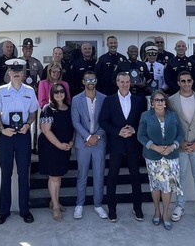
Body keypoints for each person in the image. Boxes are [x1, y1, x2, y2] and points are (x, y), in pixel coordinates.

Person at [0, 59, 39, 225]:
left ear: (23, 72)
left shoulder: (30, 91)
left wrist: (28, 125)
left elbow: (33, 113)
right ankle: (3, 211)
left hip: (23, 135)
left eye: (20, 69)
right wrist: (2, 129)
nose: (17, 72)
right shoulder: (1, 91)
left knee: (23, 174)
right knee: (5, 174)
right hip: (6, 134)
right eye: (13, 69)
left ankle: (24, 210)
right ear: (9, 73)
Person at [100, 72, 146, 223]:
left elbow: (143, 122)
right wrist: (118, 131)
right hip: (116, 143)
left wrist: (135, 130)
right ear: (117, 82)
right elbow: (103, 121)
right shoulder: (109, 100)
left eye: (127, 82)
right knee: (112, 176)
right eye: (122, 82)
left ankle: (137, 208)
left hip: (133, 144)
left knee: (135, 176)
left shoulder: (139, 101)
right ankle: (112, 209)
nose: (125, 84)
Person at [168, 71, 195, 225]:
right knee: (180, 176)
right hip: (180, 146)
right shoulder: (171, 100)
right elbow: (170, 124)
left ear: (192, 82)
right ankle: (180, 206)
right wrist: (179, 142)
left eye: (189, 81)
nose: (186, 84)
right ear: (178, 82)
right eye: (183, 81)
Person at [137, 90, 184, 231]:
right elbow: (141, 135)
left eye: (162, 100)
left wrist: (172, 146)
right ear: (152, 102)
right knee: (156, 186)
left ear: (165, 102)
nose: (160, 102)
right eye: (157, 100)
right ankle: (157, 210)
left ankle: (165, 214)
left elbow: (180, 134)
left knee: (167, 187)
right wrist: (155, 147)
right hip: (153, 156)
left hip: (171, 156)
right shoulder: (145, 116)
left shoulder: (173, 116)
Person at [71, 71, 108, 220]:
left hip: (99, 142)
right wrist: (87, 136)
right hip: (83, 142)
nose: (90, 82)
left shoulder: (104, 98)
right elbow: (75, 121)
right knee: (82, 175)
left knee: (99, 174)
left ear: (96, 81)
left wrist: (96, 136)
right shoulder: (76, 99)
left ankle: (98, 205)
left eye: (93, 79)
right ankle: (79, 204)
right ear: (83, 82)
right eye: (88, 80)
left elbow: (106, 120)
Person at [38, 84, 74, 221]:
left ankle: (55, 201)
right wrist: (59, 145)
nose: (59, 94)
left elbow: (73, 127)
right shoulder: (48, 109)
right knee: (54, 177)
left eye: (61, 91)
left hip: (64, 147)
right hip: (51, 147)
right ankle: (55, 207)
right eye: (56, 92)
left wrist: (71, 142)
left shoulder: (69, 108)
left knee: (58, 177)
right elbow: (46, 130)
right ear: (51, 94)